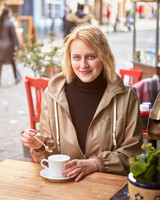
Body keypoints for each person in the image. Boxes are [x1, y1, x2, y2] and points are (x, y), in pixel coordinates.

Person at [21, 24, 143, 182]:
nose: (83, 65)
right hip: (65, 188)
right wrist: (39, 145)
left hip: (107, 187)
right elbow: (47, 156)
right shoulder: (51, 95)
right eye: (76, 57)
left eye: (91, 56)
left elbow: (133, 154)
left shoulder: (126, 96)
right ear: (69, 59)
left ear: (104, 56)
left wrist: (96, 163)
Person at [0, 7, 21, 85]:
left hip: (1, 46)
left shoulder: (1, 22)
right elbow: (14, 36)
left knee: (0, 64)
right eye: (10, 12)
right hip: (9, 47)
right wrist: (18, 46)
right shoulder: (10, 22)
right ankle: (17, 78)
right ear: (8, 13)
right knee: (13, 62)